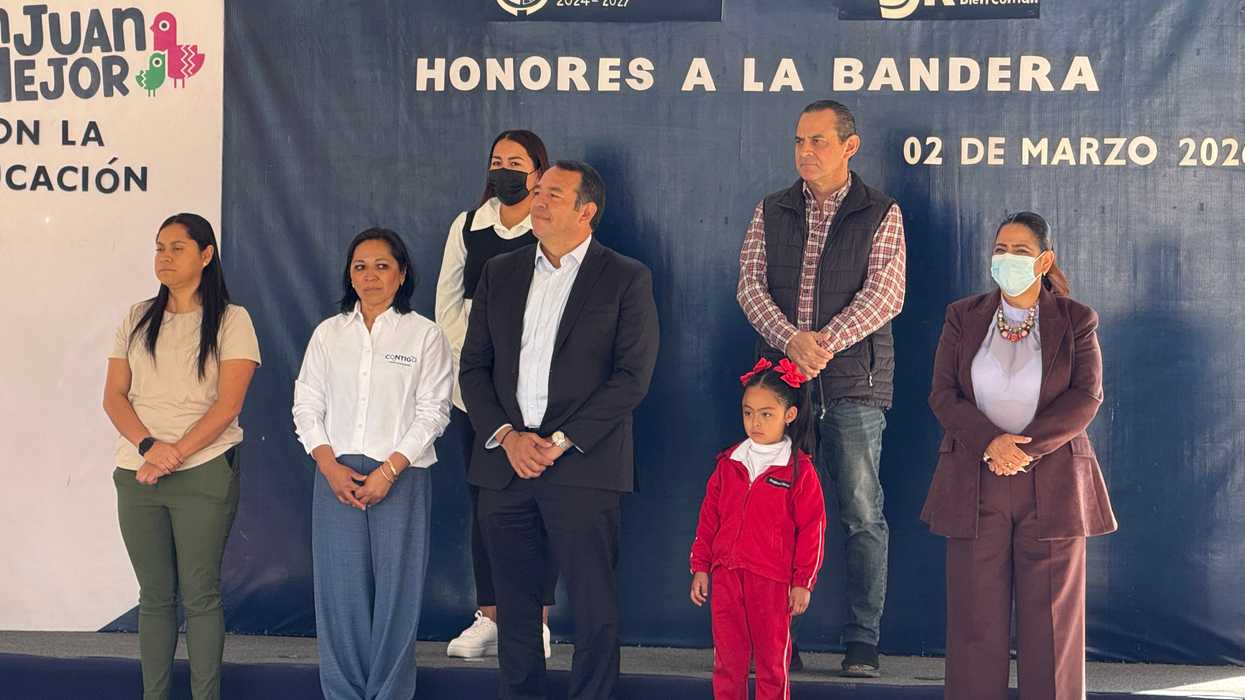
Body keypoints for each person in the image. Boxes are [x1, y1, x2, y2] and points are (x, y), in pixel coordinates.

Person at [460, 160, 660, 700]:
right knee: (515, 613)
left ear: (586, 211)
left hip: (584, 468)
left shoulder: (625, 277)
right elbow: (473, 368)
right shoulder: (499, 272)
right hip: (506, 468)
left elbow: (632, 377)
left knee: (594, 610)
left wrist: (559, 442)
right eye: (537, 191)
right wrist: (508, 436)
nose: (537, 201)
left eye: (552, 194)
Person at [736, 99, 906, 676]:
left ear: (849, 146)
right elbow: (750, 289)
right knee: (776, 513)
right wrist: (792, 343)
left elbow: (887, 293)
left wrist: (822, 344)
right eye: (799, 142)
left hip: (853, 385)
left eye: (819, 142)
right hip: (783, 388)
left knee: (861, 512)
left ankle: (863, 639)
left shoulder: (881, 212)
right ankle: (780, 636)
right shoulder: (771, 210)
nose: (806, 152)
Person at [921, 212, 1117, 699]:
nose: (1007, 259)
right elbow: (944, 394)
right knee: (974, 622)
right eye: (1001, 249)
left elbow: (1086, 397)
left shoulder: (1077, 320)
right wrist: (991, 442)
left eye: (1020, 251)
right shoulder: (962, 316)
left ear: (1044, 260)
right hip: (974, 481)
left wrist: (1021, 450)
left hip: (1052, 487)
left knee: (1052, 628)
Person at [102, 213, 261, 700]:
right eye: (158, 248)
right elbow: (114, 397)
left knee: (200, 595)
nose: (164, 258)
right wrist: (151, 449)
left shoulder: (233, 320)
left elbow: (228, 404)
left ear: (206, 255)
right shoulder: (135, 317)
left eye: (176, 248)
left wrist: (174, 455)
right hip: (138, 473)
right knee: (153, 597)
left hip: (205, 471)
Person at [292, 228, 453, 700]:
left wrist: (388, 471)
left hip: (400, 477)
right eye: (360, 266)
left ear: (402, 274)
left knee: (396, 597)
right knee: (340, 597)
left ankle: (389, 694)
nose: (370, 276)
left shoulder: (425, 335)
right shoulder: (329, 333)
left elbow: (434, 411)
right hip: (336, 476)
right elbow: (306, 403)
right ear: (349, 274)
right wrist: (328, 465)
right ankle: (342, 694)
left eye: (382, 265)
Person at [436, 129, 556, 659]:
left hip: (538, 395)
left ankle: (537, 621)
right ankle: (489, 616)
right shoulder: (467, 227)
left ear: (538, 173)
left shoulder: (550, 226)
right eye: (496, 161)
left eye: (516, 162)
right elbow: (447, 308)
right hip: (476, 395)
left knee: (540, 507)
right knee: (485, 504)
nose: (504, 170)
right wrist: (476, 376)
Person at [689, 358, 827, 700]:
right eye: (748, 412)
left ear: (789, 416)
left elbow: (813, 530)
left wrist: (802, 582)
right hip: (726, 577)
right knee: (728, 662)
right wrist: (701, 568)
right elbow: (708, 520)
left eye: (766, 413)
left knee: (770, 664)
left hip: (772, 581)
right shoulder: (729, 463)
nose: (755, 421)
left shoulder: (799, 470)